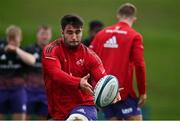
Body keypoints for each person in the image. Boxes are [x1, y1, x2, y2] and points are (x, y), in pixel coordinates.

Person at [42, 14, 121, 120]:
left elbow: (102, 79)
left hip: (84, 106)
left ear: (82, 31)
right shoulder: (51, 50)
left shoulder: (90, 56)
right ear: (62, 33)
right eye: (70, 33)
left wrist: (112, 91)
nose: (74, 37)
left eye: (77, 32)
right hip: (57, 110)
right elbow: (55, 74)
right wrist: (78, 82)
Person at [90, 3, 147, 120]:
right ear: (134, 19)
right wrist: (142, 91)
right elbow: (139, 65)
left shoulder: (100, 34)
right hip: (123, 92)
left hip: (104, 90)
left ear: (118, 16)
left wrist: (92, 88)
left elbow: (89, 61)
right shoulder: (134, 36)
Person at [0, 25, 35, 120]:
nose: (12, 41)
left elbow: (32, 60)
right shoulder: (2, 51)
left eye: (14, 38)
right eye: (10, 38)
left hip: (18, 91)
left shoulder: (23, 51)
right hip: (2, 90)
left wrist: (16, 50)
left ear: (20, 38)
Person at [25, 25, 52, 120]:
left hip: (46, 93)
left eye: (47, 34)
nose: (44, 37)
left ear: (50, 36)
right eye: (42, 34)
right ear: (37, 35)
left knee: (43, 118)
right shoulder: (28, 50)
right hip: (29, 91)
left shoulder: (55, 51)